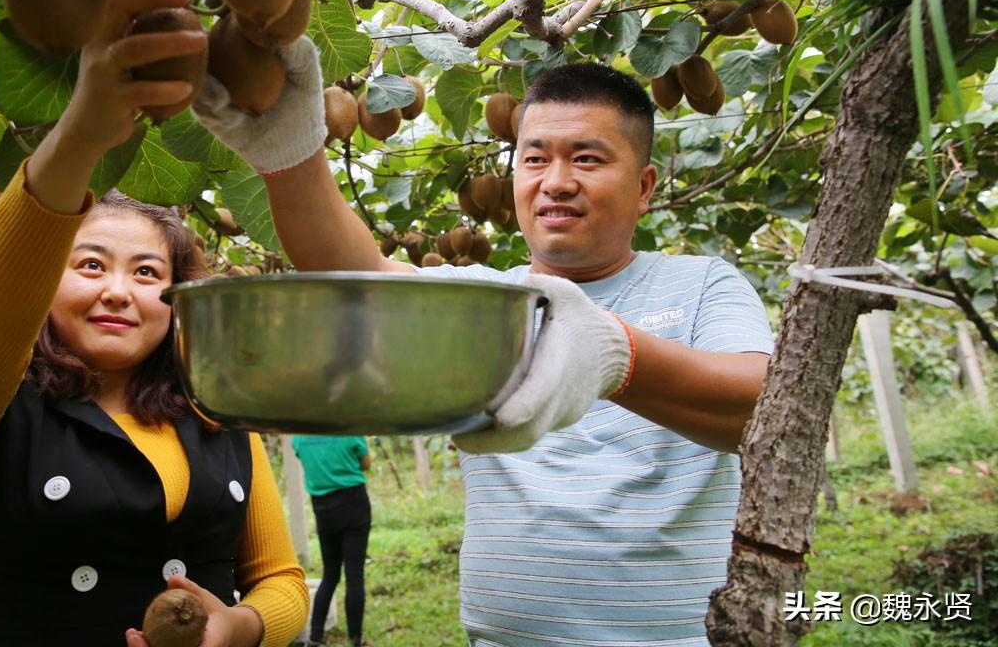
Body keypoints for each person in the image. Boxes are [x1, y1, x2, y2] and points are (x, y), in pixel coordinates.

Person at [192, 41, 774, 646]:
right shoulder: (482, 304)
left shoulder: (703, 282)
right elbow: (352, 274)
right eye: (534, 159)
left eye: (589, 159)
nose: (557, 182)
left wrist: (616, 355)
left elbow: (762, 412)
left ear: (645, 185)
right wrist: (291, 156)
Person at [0, 0, 308, 647]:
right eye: (89, 265)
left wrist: (239, 625)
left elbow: (282, 580)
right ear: (42, 281)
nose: (121, 291)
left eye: (148, 273)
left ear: (177, 299)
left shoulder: (215, 410)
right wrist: (83, 132)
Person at [291, 436, 372, 647]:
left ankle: (315, 636)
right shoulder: (349, 430)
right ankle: (356, 638)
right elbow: (366, 464)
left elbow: (302, 457)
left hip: (324, 509)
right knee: (354, 574)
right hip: (354, 503)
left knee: (330, 574)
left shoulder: (300, 437)